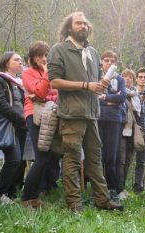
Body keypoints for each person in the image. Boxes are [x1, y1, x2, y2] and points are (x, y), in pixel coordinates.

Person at [48, 11, 123, 212]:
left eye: (85, 23)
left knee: (95, 158)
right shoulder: (59, 50)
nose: (84, 26)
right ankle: (74, 204)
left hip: (92, 113)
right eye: (79, 23)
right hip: (72, 114)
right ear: (69, 27)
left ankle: (103, 200)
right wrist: (86, 85)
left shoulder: (93, 52)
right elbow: (54, 81)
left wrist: (101, 84)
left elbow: (95, 83)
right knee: (72, 159)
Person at [21, 41, 61, 209]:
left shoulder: (52, 73)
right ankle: (27, 197)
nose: (45, 59)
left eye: (47, 55)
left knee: (48, 157)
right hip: (34, 115)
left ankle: (33, 197)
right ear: (34, 58)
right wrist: (46, 73)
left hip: (51, 115)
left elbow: (55, 94)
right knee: (41, 157)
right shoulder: (28, 73)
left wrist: (43, 96)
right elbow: (40, 92)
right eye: (42, 56)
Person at [98, 50, 127, 201]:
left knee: (111, 155)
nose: (109, 63)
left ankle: (112, 188)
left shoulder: (120, 79)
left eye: (112, 61)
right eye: (106, 60)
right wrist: (110, 101)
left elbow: (122, 97)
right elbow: (94, 97)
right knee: (97, 154)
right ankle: (97, 187)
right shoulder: (96, 77)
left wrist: (105, 97)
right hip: (97, 118)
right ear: (102, 62)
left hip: (115, 119)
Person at [0, 52, 26, 204]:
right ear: (6, 62)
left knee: (19, 160)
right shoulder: (0, 79)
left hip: (20, 126)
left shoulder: (17, 83)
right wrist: (21, 119)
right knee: (14, 160)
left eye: (21, 60)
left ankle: (9, 194)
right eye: (16, 60)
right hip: (10, 125)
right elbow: (1, 104)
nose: (20, 62)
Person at [116, 68, 140, 199]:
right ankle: (117, 189)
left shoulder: (135, 96)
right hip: (120, 130)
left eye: (131, 77)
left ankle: (123, 187)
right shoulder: (119, 93)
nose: (128, 79)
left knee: (128, 160)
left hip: (131, 132)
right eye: (125, 76)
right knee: (120, 160)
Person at [132, 68, 145, 194]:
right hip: (131, 131)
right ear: (137, 79)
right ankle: (120, 186)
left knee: (141, 161)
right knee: (125, 160)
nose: (143, 79)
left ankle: (138, 187)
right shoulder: (130, 92)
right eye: (140, 76)